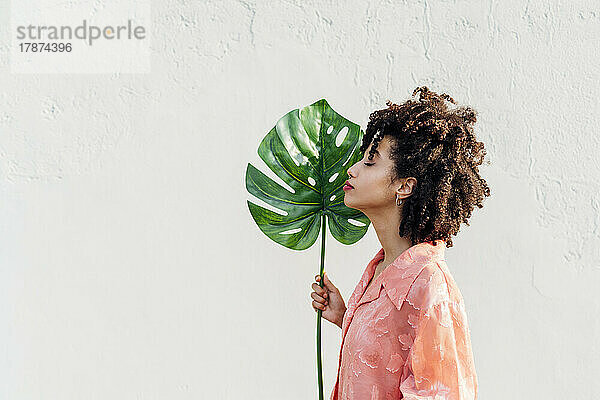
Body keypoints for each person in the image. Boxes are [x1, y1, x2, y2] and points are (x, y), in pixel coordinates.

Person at [310, 86, 490, 399]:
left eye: (370, 161)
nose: (351, 169)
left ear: (405, 186)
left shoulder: (431, 286)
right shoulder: (380, 269)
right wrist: (346, 318)